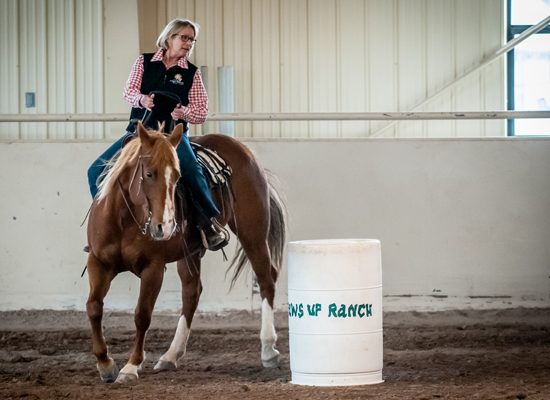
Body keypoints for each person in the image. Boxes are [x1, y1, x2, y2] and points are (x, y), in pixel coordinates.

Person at [86, 18, 228, 251]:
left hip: (173, 138)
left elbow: (201, 112)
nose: (189, 43)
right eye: (184, 37)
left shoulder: (191, 73)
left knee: (192, 170)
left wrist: (185, 112)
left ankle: (208, 224)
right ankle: (104, 224)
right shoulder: (144, 62)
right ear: (169, 37)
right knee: (96, 171)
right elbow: (128, 91)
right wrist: (141, 99)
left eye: (192, 39)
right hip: (139, 134)